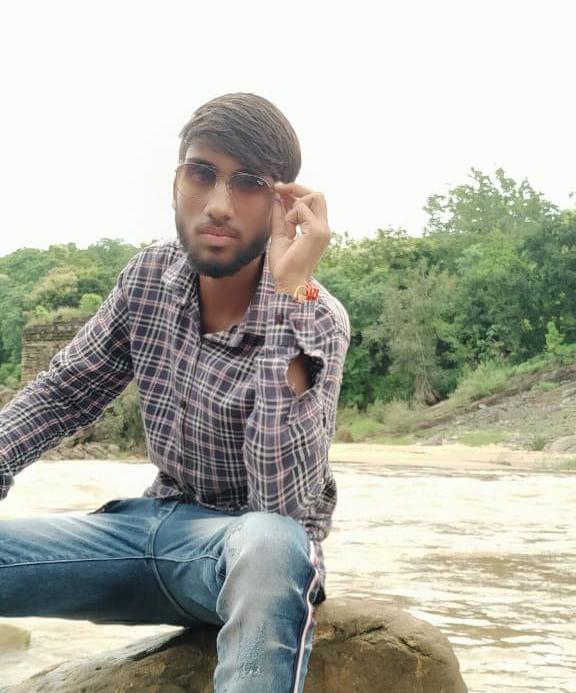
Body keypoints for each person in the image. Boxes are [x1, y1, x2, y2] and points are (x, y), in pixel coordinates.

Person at [0, 92, 350, 692]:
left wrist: (288, 295)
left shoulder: (314, 316)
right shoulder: (147, 279)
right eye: (202, 174)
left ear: (282, 205)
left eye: (248, 183)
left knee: (271, 544)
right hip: (143, 531)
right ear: (175, 183)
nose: (218, 205)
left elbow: (281, 509)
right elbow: (63, 395)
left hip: (240, 557)